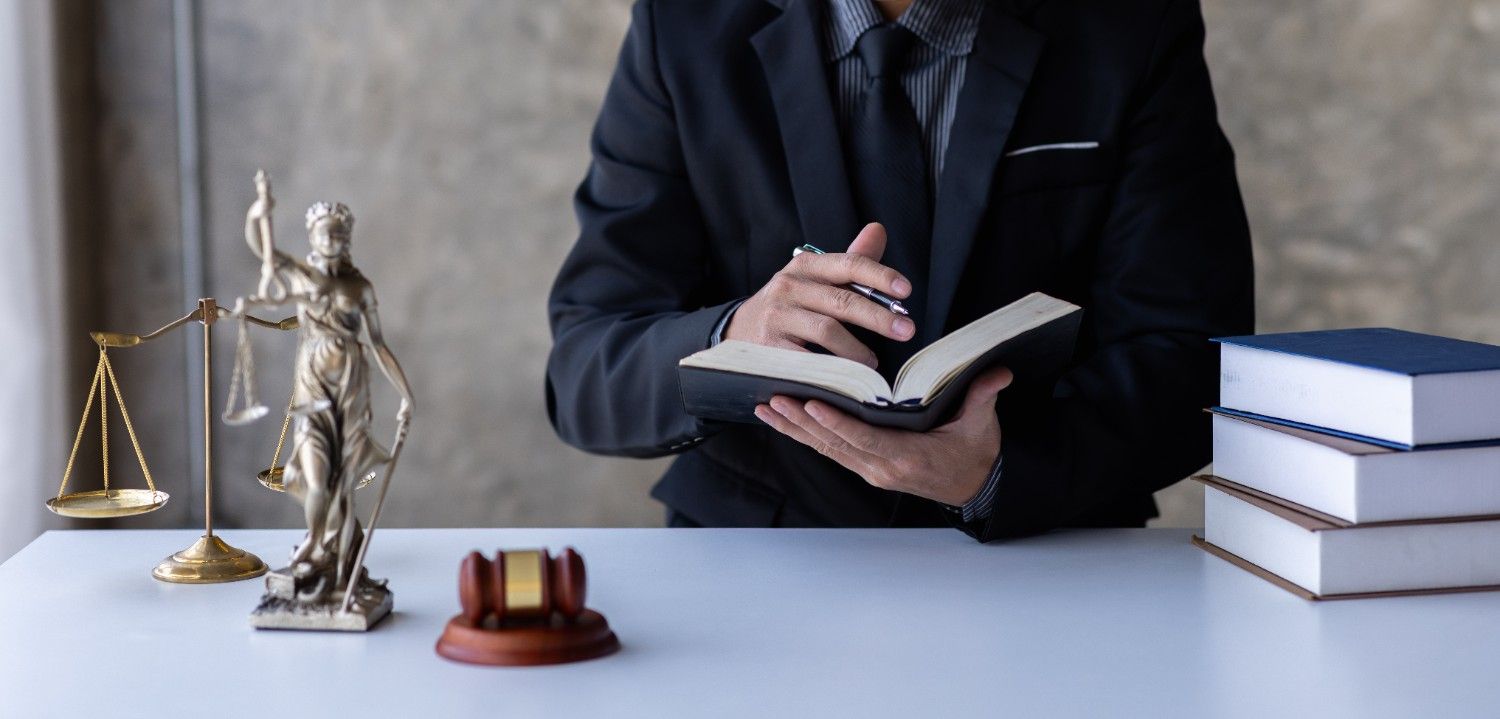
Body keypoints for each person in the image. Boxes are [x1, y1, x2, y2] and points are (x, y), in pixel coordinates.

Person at [546, 0, 1253, 540]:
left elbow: (1194, 356)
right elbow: (584, 367)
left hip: (1046, 554)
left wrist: (1004, 468)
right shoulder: (683, 26)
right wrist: (737, 334)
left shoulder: (1131, 24)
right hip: (756, 557)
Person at [244, 181, 414, 598]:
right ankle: (315, 545)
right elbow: (260, 248)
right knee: (316, 479)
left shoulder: (361, 288)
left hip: (352, 391)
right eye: (325, 232)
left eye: (340, 233)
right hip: (313, 390)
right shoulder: (302, 276)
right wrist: (258, 211)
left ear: (348, 239)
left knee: (345, 481)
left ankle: (340, 561)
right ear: (312, 236)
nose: (332, 239)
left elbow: (378, 346)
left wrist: (406, 395)